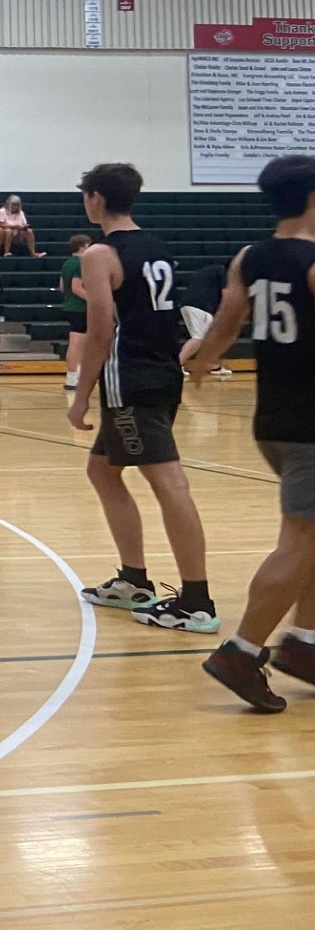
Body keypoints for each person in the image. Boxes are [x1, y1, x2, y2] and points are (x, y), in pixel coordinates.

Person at [66, 162, 216, 634]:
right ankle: (133, 580)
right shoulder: (155, 245)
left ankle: (197, 602)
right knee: (102, 469)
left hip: (129, 380)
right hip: (161, 371)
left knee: (169, 483)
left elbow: (100, 332)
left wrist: (80, 395)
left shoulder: (99, 254)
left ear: (95, 198)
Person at [191, 155, 315, 710]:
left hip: (272, 420)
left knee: (311, 536)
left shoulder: (250, 257)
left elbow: (226, 322)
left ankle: (305, 644)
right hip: (311, 424)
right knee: (299, 541)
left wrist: (201, 360)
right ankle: (241, 652)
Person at [180, 259, 234, 376]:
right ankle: (177, 364)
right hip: (201, 307)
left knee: (209, 337)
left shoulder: (211, 271)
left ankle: (211, 365)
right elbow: (226, 295)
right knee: (198, 338)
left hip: (190, 304)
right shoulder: (224, 273)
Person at [60, 233, 91, 390]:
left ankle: (75, 376)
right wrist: (94, 301)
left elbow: (62, 287)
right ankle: (72, 378)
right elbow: (76, 288)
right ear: (82, 246)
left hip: (69, 306)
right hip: (79, 308)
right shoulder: (81, 263)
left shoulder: (67, 263)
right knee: (77, 343)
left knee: (78, 343)